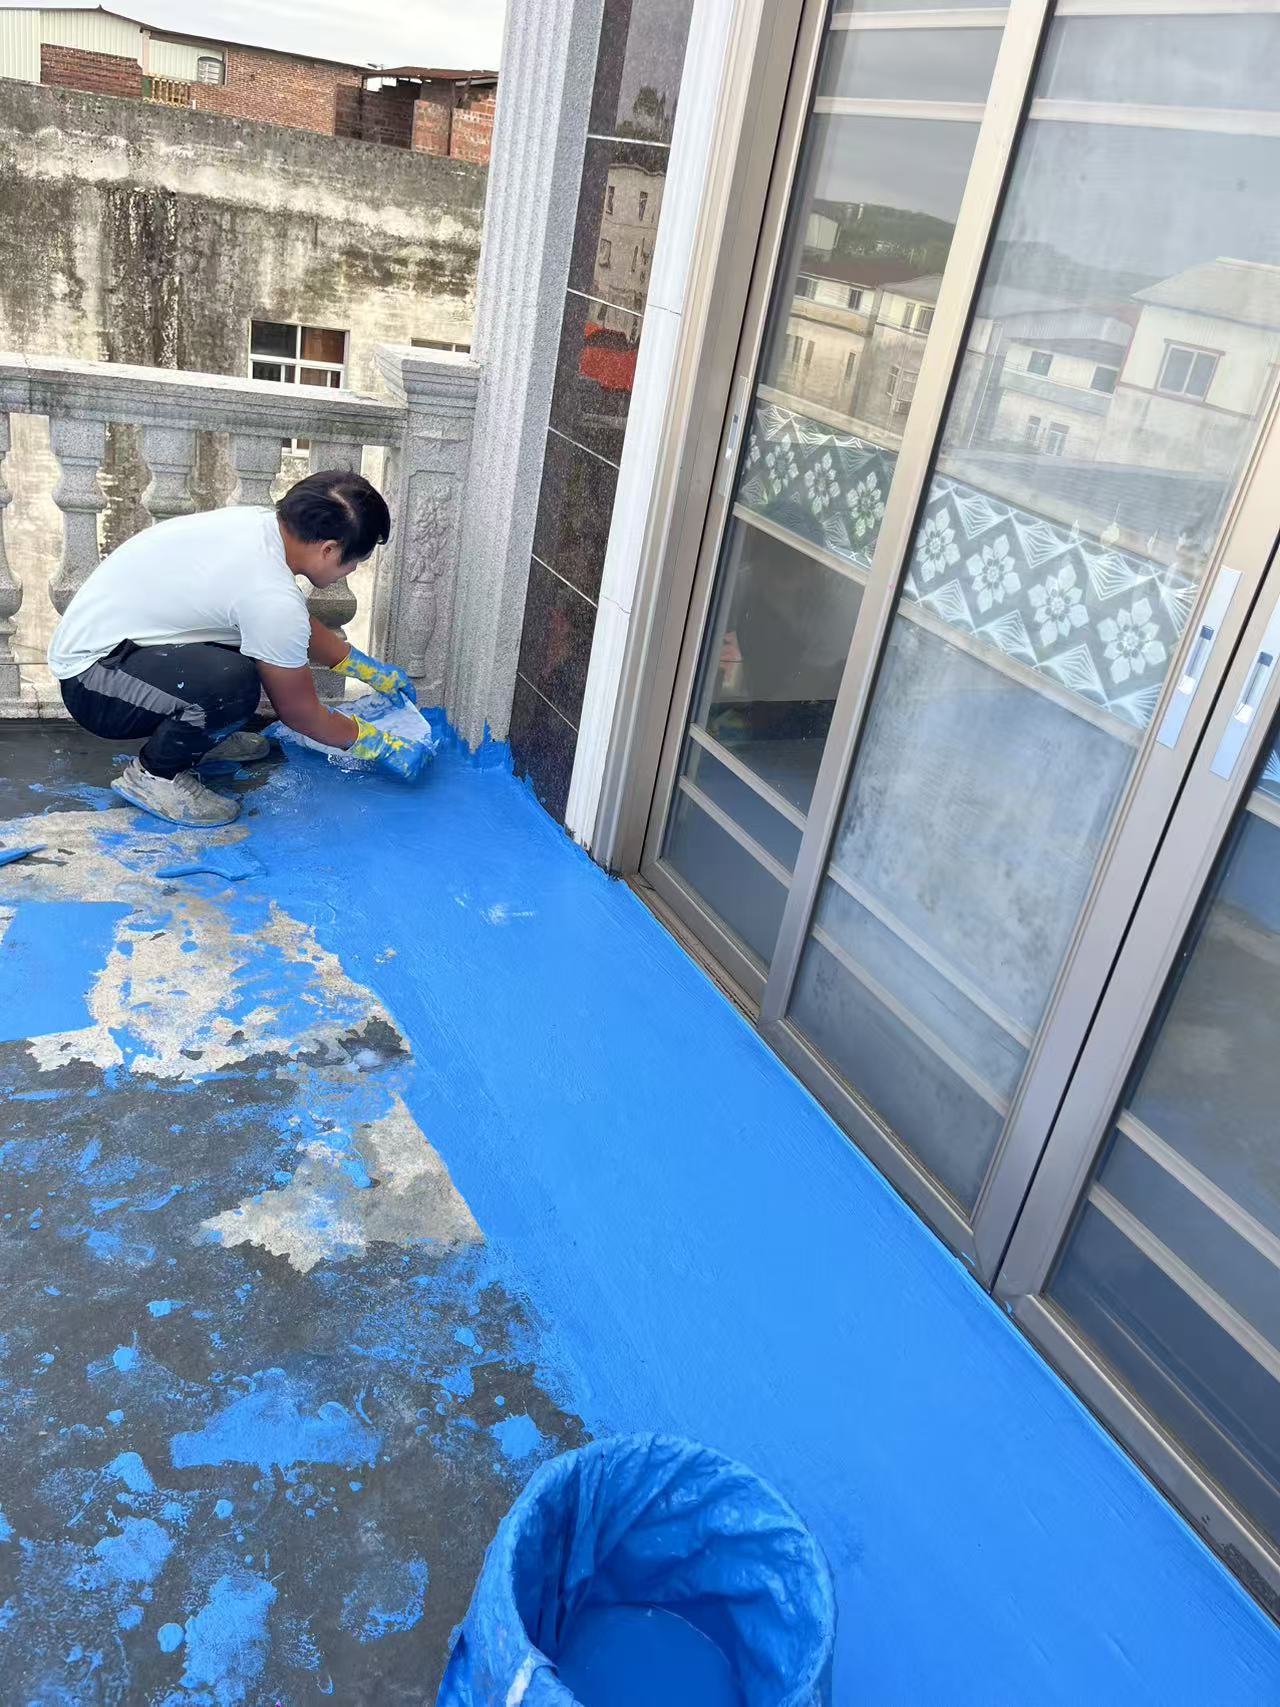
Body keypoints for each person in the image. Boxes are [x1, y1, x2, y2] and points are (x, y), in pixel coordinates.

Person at [48, 469, 426, 827]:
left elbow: (292, 627)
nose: (352, 571)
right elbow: (300, 714)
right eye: (355, 561)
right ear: (329, 549)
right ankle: (155, 775)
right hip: (95, 681)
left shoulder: (261, 527)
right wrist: (377, 744)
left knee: (255, 655)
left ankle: (201, 739)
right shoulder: (269, 593)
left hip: (126, 646)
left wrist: (365, 669)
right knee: (234, 685)